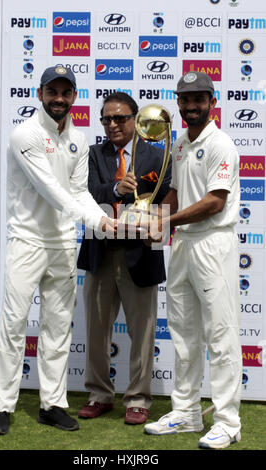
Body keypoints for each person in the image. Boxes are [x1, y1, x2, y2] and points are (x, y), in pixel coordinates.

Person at [0, 65, 115, 435]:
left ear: (74, 97)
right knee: (13, 326)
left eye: (66, 93)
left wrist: (102, 217)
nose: (59, 99)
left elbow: (78, 193)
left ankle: (52, 403)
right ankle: (2, 406)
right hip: (27, 242)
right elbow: (51, 190)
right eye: (52, 92)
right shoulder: (24, 134)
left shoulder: (77, 140)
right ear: (39, 94)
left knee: (58, 329)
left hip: (61, 244)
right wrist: (98, 222)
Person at [144, 71, 242, 449]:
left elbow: (214, 201)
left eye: (199, 99)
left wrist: (167, 220)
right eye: (185, 100)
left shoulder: (222, 144)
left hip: (212, 243)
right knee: (184, 334)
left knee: (220, 334)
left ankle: (227, 422)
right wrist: (153, 217)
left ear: (212, 102)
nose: (191, 106)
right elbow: (175, 191)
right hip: (183, 244)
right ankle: (185, 412)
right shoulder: (180, 142)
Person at [77, 92, 172, 425]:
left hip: (141, 253)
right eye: (106, 119)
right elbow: (83, 194)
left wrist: (156, 226)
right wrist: (115, 190)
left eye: (120, 118)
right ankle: (99, 394)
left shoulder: (158, 156)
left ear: (136, 120)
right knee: (96, 331)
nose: (113, 124)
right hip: (100, 252)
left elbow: (166, 197)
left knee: (143, 332)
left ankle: (139, 398)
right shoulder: (91, 155)